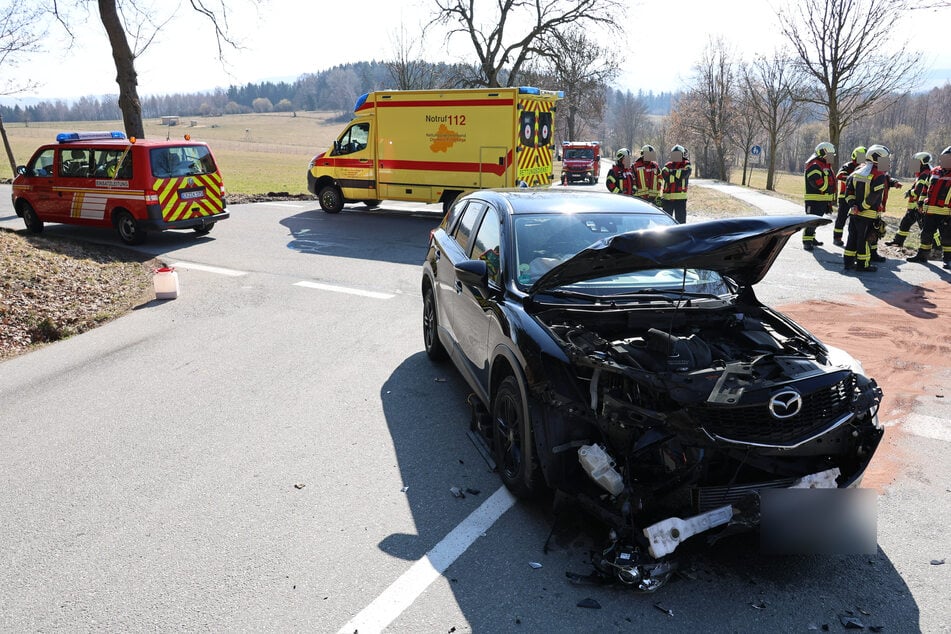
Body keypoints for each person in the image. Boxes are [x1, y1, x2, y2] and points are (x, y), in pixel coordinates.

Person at [843, 144, 891, 273]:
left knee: (852, 238)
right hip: (867, 214)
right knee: (864, 240)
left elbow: (848, 194)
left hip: (853, 213)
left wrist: (853, 206)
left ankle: (848, 262)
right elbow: (874, 196)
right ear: (878, 159)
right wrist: (862, 208)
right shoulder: (879, 175)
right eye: (886, 159)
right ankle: (862, 265)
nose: (887, 162)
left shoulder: (856, 172)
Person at [907, 145, 951, 269]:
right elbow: (925, 188)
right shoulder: (935, 171)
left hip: (947, 212)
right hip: (930, 211)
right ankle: (922, 255)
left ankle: (948, 259)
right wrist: (920, 203)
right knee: (926, 234)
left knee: (947, 238)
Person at [885, 151, 933, 248]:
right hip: (914, 207)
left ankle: (936, 248)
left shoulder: (925, 174)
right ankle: (897, 242)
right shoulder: (922, 173)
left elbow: (918, 191)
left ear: (922, 162)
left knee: (926, 228)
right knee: (905, 224)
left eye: (916, 162)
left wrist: (909, 192)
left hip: (920, 207)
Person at [803, 142, 836, 251]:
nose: (832, 158)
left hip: (821, 199)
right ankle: (807, 241)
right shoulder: (815, 165)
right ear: (823, 153)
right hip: (814, 200)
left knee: (816, 221)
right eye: (830, 155)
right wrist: (827, 189)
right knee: (811, 221)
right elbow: (816, 182)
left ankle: (811, 238)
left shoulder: (824, 165)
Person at [833, 146, 866, 246]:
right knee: (841, 218)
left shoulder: (865, 168)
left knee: (855, 220)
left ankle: (853, 240)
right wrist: (852, 178)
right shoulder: (848, 166)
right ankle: (837, 238)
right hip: (844, 196)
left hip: (857, 198)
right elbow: (839, 176)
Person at [660, 144, 691, 223]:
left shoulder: (687, 164)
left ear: (682, 154)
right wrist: (678, 176)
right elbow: (665, 175)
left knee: (681, 223)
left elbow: (686, 173)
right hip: (667, 199)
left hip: (680, 199)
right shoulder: (667, 165)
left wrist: (672, 172)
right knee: (666, 222)